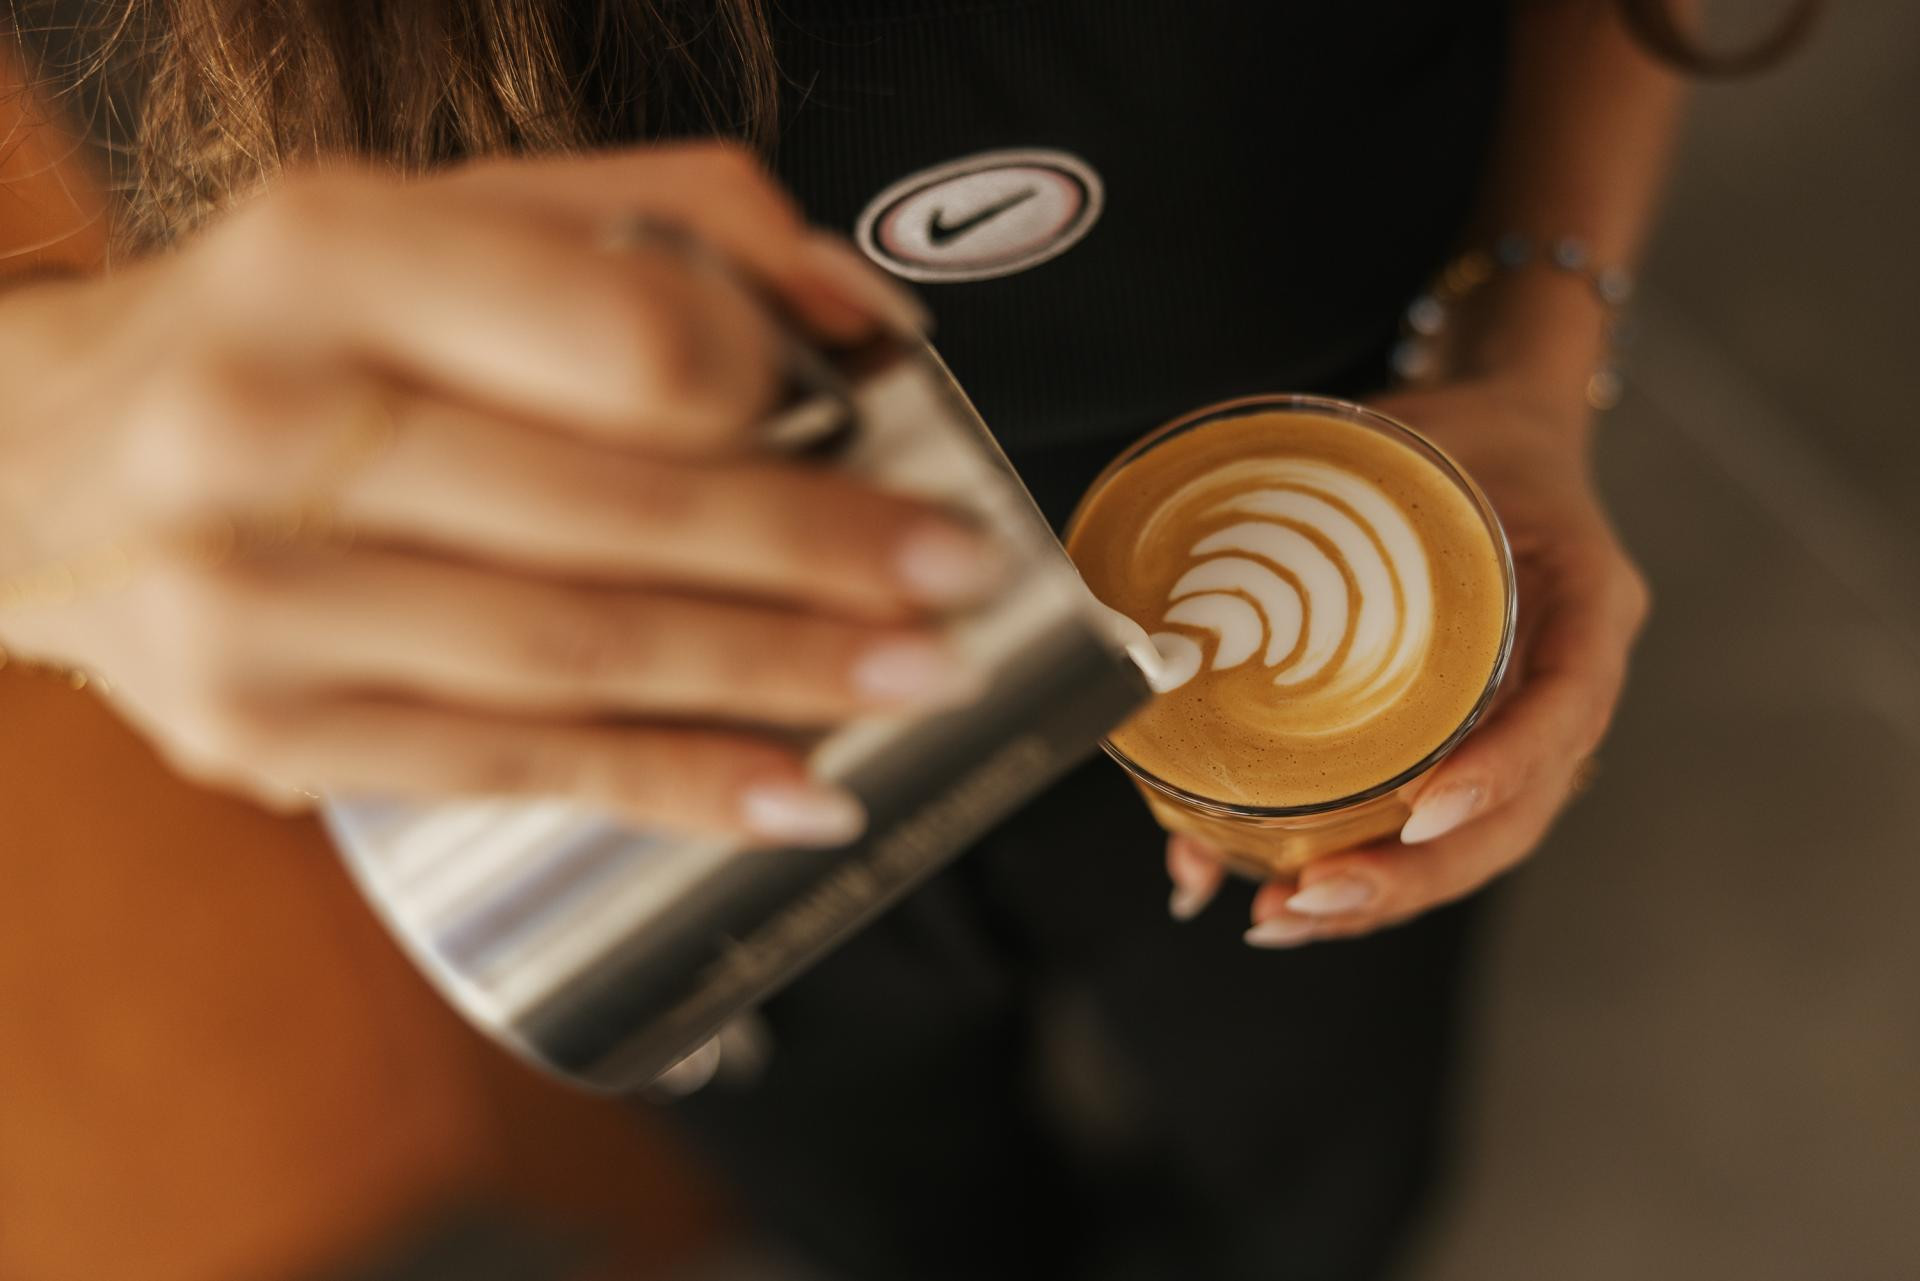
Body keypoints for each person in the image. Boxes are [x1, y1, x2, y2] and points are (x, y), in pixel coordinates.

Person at [0, 2, 1800, 1277]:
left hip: (1315, 602)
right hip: (667, 736)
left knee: (1317, 1188)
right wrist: (37, 457)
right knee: (891, 1220)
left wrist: (1530, 342)